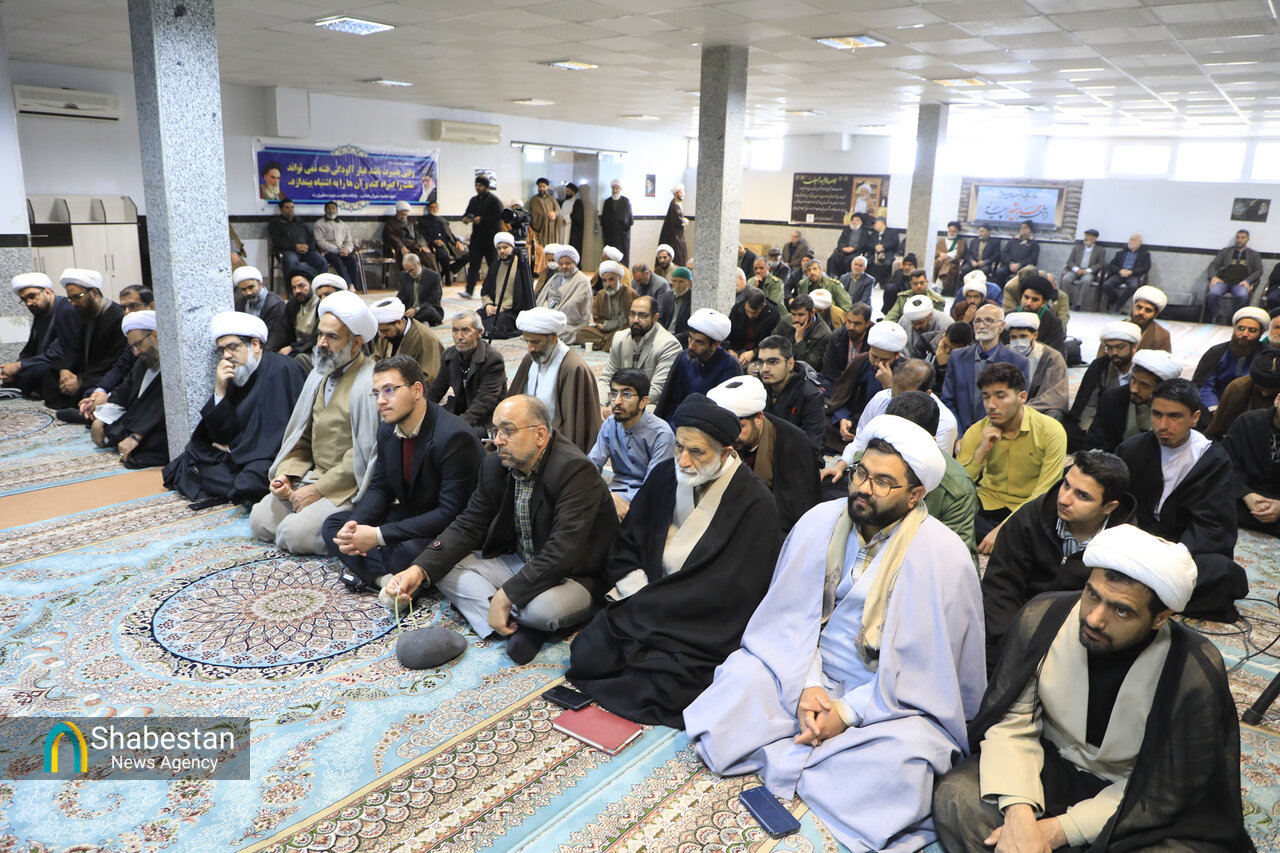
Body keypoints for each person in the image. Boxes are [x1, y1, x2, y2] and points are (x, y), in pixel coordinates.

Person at [684, 415, 985, 853]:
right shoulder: (819, 522)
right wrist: (807, 687)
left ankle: (804, 751)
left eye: (883, 482)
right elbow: (788, 620)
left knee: (908, 761)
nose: (863, 487)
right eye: (862, 472)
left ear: (916, 494)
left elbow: (926, 674)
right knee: (739, 679)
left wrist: (846, 711)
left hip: (885, 697)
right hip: (802, 665)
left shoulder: (943, 557)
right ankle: (817, 756)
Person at [934, 525, 1252, 853]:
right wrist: (1019, 813)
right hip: (1045, 769)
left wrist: (1058, 831)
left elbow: (1170, 788)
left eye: (1121, 610)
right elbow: (1011, 724)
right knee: (957, 797)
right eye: (1092, 595)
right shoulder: (1044, 618)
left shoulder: (1190, 670)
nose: (1095, 618)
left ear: (1160, 617)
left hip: (1133, 798)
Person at [569, 393, 781, 724]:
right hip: (643, 601)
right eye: (679, 447)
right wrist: (637, 588)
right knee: (587, 653)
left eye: (696, 452)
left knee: (668, 688)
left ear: (726, 452)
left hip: (697, 626)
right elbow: (628, 541)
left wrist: (658, 605)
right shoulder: (664, 476)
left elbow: (738, 590)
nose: (683, 461)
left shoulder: (756, 503)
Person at [384, 395, 617, 664]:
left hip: (575, 574)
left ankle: (517, 617)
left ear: (540, 435)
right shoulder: (495, 464)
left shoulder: (575, 471)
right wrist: (418, 570)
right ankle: (517, 625)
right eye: (495, 431)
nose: (497, 440)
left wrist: (506, 595)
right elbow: (468, 524)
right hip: (521, 560)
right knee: (443, 570)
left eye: (508, 430)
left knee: (542, 611)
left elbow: (563, 552)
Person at [321, 354, 483, 595]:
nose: (380, 401)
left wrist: (378, 536)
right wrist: (355, 526)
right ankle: (384, 579)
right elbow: (380, 488)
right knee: (334, 525)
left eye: (389, 390)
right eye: (376, 393)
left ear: (417, 390)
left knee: (408, 552)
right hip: (413, 514)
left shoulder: (454, 436)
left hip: (450, 529)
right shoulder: (387, 429)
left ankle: (379, 570)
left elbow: (450, 513)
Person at [249, 291, 380, 555]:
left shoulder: (370, 382)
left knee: (293, 535)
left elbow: (364, 456)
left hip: (347, 486)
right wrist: (288, 474)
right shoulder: (319, 375)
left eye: (332, 337)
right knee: (260, 522)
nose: (321, 343)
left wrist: (318, 490)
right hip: (311, 476)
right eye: (320, 334)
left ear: (356, 343)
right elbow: (303, 435)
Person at [980, 449, 1137, 669]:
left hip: (1077, 646)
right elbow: (1000, 587)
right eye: (1066, 485)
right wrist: (1013, 645)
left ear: (1109, 507)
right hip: (1012, 632)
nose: (1064, 499)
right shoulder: (1031, 516)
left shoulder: (1125, 546)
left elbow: (1111, 618)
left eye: (1082, 496)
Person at [1116, 378, 1249, 620]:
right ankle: (1156, 594)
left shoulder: (1212, 460)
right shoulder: (1132, 449)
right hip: (1137, 543)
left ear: (1195, 418)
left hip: (1184, 551)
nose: (1163, 425)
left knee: (1224, 572)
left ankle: (1139, 592)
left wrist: (1175, 554)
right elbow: (1118, 506)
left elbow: (1214, 524)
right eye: (1157, 414)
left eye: (1174, 416)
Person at [163, 311, 308, 508]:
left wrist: (234, 448)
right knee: (189, 461)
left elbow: (281, 434)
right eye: (221, 350)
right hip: (242, 455)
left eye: (232, 347)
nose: (226, 356)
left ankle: (243, 489)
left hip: (272, 458)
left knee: (251, 479)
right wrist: (220, 391)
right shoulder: (237, 373)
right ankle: (239, 489)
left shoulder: (283, 369)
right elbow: (219, 434)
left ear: (255, 345)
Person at [823, 389, 978, 565]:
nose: (892, 451)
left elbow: (956, 563)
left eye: (883, 482)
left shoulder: (957, 489)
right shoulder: (866, 461)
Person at [957, 361, 1067, 555]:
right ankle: (1008, 542)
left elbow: (1044, 492)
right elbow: (958, 487)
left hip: (1030, 508)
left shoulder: (1050, 431)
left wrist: (1002, 529)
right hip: (989, 501)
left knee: (1049, 527)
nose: (991, 405)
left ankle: (1001, 538)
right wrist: (981, 451)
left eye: (1000, 396)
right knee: (953, 512)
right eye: (986, 397)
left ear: (1022, 397)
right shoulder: (977, 431)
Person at [709, 375, 819, 534]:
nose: (732, 436)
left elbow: (797, 510)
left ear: (759, 418)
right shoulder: (723, 440)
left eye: (740, 427)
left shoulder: (792, 442)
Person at [507, 307, 602, 453]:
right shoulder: (530, 360)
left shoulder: (572, 368)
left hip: (555, 445)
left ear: (553, 337)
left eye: (535, 342)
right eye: (527, 342)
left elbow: (574, 428)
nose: (530, 348)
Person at [588, 368, 675, 520]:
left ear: (643, 402)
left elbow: (653, 489)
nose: (617, 401)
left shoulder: (662, 434)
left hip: (647, 502)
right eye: (613, 393)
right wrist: (609, 496)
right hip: (614, 492)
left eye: (626, 394)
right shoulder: (610, 424)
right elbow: (590, 467)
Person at [87, 310, 167, 468]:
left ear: (155, 336)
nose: (136, 352)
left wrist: (137, 436)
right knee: (106, 423)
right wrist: (100, 420)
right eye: (132, 347)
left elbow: (162, 406)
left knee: (155, 443)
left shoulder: (173, 365)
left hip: (158, 422)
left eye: (138, 344)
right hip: (138, 418)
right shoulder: (144, 361)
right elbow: (123, 392)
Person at [39, 269, 126, 410]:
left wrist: (81, 380)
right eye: (70, 299)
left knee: (90, 386)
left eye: (77, 297)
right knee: (50, 373)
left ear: (94, 293)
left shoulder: (116, 317)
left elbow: (112, 360)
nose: (73, 303)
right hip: (86, 371)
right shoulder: (85, 314)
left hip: (103, 373)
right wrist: (65, 369)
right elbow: (75, 348)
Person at [941, 304, 1030, 437]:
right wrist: (958, 436)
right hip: (958, 435)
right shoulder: (957, 357)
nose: (981, 326)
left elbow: (1017, 405)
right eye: (977, 321)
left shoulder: (1018, 362)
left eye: (989, 320)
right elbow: (947, 401)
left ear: (1001, 326)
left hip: (998, 436)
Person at [848, 358, 957, 455]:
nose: (896, 403)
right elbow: (859, 442)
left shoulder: (945, 424)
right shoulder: (882, 398)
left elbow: (935, 465)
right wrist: (842, 464)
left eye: (905, 399)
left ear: (926, 394)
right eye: (893, 395)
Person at [825, 320, 907, 450]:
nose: (877, 363)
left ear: (896, 355)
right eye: (874, 356)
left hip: (887, 426)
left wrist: (889, 386)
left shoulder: (906, 370)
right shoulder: (862, 360)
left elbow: (904, 413)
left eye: (884, 359)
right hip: (858, 420)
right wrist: (843, 418)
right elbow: (840, 396)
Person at [427, 311, 507, 441]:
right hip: (461, 411)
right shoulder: (449, 356)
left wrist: (457, 424)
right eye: (455, 331)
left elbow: (484, 402)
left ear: (479, 332)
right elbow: (436, 390)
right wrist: (420, 412)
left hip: (487, 420)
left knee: (451, 437)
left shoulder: (492, 359)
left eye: (465, 331)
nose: (459, 336)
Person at [595, 295, 682, 414]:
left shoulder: (668, 345)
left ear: (655, 318)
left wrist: (620, 407)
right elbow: (607, 378)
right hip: (620, 400)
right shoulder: (620, 338)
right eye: (632, 314)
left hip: (647, 404)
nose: (635, 320)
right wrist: (599, 406)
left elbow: (656, 391)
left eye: (642, 315)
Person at [1086, 348, 1183, 453]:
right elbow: (1096, 442)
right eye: (1133, 380)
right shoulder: (1113, 399)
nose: (1134, 389)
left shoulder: (1177, 408)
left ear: (1161, 388)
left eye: (1144, 385)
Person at [655, 308, 742, 421]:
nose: (691, 346)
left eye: (699, 342)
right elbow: (671, 404)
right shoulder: (683, 358)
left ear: (715, 345)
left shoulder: (729, 366)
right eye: (690, 338)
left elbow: (724, 412)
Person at [1066, 321, 1141, 450]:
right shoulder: (1100, 366)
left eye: (1120, 347)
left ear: (1134, 346)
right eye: (1109, 348)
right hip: (1102, 423)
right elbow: (1087, 404)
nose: (1114, 352)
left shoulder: (1142, 370)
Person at [2, 273, 77, 399]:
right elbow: (32, 347)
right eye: (24, 299)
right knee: (26, 371)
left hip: (65, 364)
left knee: (39, 371)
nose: (29, 303)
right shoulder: (41, 313)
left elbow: (59, 352)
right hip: (46, 360)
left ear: (48, 292)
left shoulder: (66, 310)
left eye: (32, 296)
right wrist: (16, 366)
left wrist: (19, 366)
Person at [756, 334, 826, 456]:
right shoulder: (756, 386)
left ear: (790, 364)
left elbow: (812, 445)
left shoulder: (810, 394)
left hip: (795, 457)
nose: (764, 369)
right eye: (761, 362)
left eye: (773, 362)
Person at [1223, 392, 1280, 537]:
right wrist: (1246, 494)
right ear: (1277, 399)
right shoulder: (1248, 421)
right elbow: (1225, 463)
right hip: (1243, 497)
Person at [1193, 306, 1266, 409]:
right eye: (1241, 328)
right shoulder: (1216, 352)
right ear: (1234, 328)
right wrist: (1213, 407)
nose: (1245, 334)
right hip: (1214, 404)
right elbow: (1203, 385)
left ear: (1261, 333)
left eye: (1252, 330)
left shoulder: (1266, 355)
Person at [1005, 311, 1068, 421]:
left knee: (1054, 413)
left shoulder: (1051, 357)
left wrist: (1022, 410)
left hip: (1036, 409)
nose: (1018, 341)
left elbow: (1055, 395)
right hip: (1005, 406)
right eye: (1014, 337)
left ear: (1035, 336)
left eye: (1023, 336)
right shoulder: (1003, 353)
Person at [369, 297, 444, 387]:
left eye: (385, 330)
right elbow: (376, 359)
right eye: (380, 331)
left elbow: (427, 379)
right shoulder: (386, 335)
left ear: (398, 322)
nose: (382, 335)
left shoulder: (425, 339)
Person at [1206, 348, 1280, 439]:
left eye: (1272, 390)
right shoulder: (1237, 388)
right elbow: (1217, 427)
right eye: (1261, 387)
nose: (1265, 393)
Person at [479, 231, 535, 340]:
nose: (502, 251)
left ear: (512, 248)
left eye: (505, 247)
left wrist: (502, 307)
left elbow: (520, 295)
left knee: (498, 323)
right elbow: (485, 290)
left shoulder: (520, 266)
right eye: (499, 248)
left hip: (511, 310)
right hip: (494, 308)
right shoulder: (495, 265)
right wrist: (488, 305)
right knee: (474, 318)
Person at [535, 245, 592, 344]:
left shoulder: (582, 281)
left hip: (570, 325)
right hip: (550, 318)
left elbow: (573, 306)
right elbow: (543, 298)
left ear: (575, 264)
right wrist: (545, 311)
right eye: (561, 264)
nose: (564, 267)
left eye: (568, 263)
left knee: (555, 333)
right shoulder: (556, 277)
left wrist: (553, 315)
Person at [1206, 228, 1263, 324]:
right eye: (1238, 237)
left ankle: (1234, 318)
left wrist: (1248, 281)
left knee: (1242, 296)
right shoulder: (1226, 251)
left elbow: (1259, 270)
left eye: (1242, 238)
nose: (1239, 240)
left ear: (1248, 239)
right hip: (1223, 282)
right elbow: (1213, 265)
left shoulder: (1254, 254)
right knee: (1212, 294)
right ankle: (1218, 316)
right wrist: (1213, 277)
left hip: (1241, 283)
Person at [577, 260, 635, 352]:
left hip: (622, 331)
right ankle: (609, 343)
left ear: (619, 279)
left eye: (611, 279)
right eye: (604, 280)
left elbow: (630, 320)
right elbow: (597, 319)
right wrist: (606, 327)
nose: (608, 284)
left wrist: (608, 325)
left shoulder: (629, 293)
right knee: (581, 333)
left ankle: (605, 343)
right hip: (603, 333)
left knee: (628, 335)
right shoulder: (600, 295)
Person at [462, 175, 503, 298]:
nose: (477, 188)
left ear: (486, 187)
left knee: (493, 265)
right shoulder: (474, 200)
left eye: (480, 185)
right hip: (476, 238)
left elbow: (498, 217)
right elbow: (468, 213)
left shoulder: (494, 201)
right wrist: (466, 218)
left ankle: (496, 291)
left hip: (490, 239)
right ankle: (469, 291)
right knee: (474, 265)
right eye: (476, 185)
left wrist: (482, 220)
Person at [232, 266, 288, 351]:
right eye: (244, 289)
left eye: (251, 287)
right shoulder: (240, 304)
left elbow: (276, 336)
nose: (248, 292)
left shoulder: (276, 304)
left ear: (260, 284)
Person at [775, 293, 832, 374]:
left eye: (801, 315)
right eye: (793, 314)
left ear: (812, 313)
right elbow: (772, 344)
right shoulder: (786, 322)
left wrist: (799, 340)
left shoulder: (824, 334)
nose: (796, 319)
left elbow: (812, 365)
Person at [269, 199, 327, 276]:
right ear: (281, 209)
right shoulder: (276, 223)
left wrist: (307, 246)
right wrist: (295, 247)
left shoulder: (299, 221)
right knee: (291, 262)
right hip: (289, 251)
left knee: (321, 262)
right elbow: (277, 241)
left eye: (292, 207)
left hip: (305, 251)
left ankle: (318, 282)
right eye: (287, 207)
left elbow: (311, 236)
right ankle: (292, 283)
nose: (290, 210)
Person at [727, 287, 782, 367]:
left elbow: (774, 342)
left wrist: (754, 352)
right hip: (737, 351)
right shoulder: (737, 309)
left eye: (754, 313)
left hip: (761, 355)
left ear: (763, 306)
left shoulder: (773, 315)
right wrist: (729, 349)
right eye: (748, 311)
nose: (750, 315)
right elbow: (727, 334)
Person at [821, 301, 871, 386]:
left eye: (857, 324)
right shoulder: (837, 337)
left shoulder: (874, 340)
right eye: (849, 322)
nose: (851, 327)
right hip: (838, 384)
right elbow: (828, 370)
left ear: (867, 324)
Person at [1014, 273, 1065, 354]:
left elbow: (1055, 354)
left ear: (1043, 303)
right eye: (1026, 297)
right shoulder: (1008, 317)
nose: (1028, 303)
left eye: (1035, 300)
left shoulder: (1053, 323)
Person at [1100, 233, 1152, 313]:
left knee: (1133, 287)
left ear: (1140, 243)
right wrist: (1119, 270)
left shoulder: (1145, 254)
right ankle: (1117, 303)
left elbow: (1145, 268)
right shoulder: (1120, 253)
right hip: (1119, 274)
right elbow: (1112, 265)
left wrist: (1131, 272)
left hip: (1133, 275)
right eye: (1130, 239)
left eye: (1133, 240)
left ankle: (1116, 306)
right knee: (1107, 285)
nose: (1130, 241)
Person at [279, 267, 320, 367]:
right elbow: (283, 331)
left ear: (311, 284)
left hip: (312, 349)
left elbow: (316, 337)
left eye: (301, 286)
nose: (297, 291)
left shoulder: (320, 304)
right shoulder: (293, 303)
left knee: (297, 359)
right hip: (296, 348)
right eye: (294, 288)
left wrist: (293, 348)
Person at [314, 201, 362, 286]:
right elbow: (320, 241)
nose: (331, 210)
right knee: (338, 262)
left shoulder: (343, 224)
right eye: (329, 208)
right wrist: (336, 250)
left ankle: (354, 286)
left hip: (343, 251)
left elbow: (348, 240)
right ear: (325, 210)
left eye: (333, 208)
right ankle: (348, 285)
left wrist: (347, 250)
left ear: (337, 210)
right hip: (328, 252)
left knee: (352, 261)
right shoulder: (319, 224)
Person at [1061, 228, 1107, 311]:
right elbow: (1070, 261)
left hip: (1089, 272)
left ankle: (1078, 304)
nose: (1086, 238)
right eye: (1086, 236)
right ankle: (1067, 302)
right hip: (1076, 270)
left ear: (1095, 238)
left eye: (1089, 236)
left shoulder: (1100, 250)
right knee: (1065, 279)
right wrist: (1076, 269)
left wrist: (1087, 270)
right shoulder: (1077, 248)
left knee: (1086, 281)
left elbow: (1100, 264)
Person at [419, 200, 467, 277]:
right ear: (428, 209)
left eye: (436, 207)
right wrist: (434, 241)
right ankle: (447, 278)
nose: (434, 209)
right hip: (437, 246)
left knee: (467, 255)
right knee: (444, 256)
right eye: (432, 207)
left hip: (449, 244)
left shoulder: (443, 220)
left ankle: (447, 271)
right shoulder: (424, 221)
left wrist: (457, 241)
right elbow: (423, 236)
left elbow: (450, 234)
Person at [898, 293, 952, 362]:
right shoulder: (905, 320)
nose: (917, 327)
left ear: (930, 315)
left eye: (920, 323)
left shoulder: (946, 324)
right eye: (913, 323)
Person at [396, 253, 443, 327]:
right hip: (408, 310)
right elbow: (400, 296)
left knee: (429, 312)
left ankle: (407, 322)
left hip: (425, 309)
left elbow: (434, 301)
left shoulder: (434, 276)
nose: (410, 274)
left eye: (412, 270)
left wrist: (416, 310)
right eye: (408, 271)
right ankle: (417, 323)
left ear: (418, 264)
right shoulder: (404, 276)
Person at [1125, 284, 1172, 353]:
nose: (1141, 312)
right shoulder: (1118, 327)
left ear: (1156, 314)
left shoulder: (1162, 335)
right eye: (1139, 307)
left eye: (1148, 310)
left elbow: (1163, 358)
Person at [629, 263, 674, 331]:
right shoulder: (635, 282)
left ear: (647, 274)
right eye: (635, 280)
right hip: (639, 317)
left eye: (639, 280)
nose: (637, 283)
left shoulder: (661, 285)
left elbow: (660, 313)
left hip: (654, 322)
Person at [993, 220, 1039, 286]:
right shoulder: (1013, 241)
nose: (1022, 229)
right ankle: (1002, 290)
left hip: (1024, 268)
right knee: (999, 272)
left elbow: (1032, 259)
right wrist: (1010, 263)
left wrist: (1020, 264)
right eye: (1021, 227)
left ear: (1029, 230)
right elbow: (1004, 253)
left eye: (1025, 227)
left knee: (1026, 276)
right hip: (1009, 265)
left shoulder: (1034, 244)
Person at [600, 179, 633, 264]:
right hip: (609, 235)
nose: (614, 191)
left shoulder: (625, 202)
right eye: (613, 188)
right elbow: (604, 219)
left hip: (621, 236)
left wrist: (618, 222)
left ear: (620, 189)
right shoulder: (607, 202)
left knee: (622, 255)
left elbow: (628, 219)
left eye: (616, 189)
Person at [383, 200, 427, 264]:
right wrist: (401, 246)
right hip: (400, 247)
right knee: (409, 259)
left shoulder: (411, 221)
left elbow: (419, 235)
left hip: (414, 246)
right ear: (397, 211)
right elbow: (391, 237)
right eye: (402, 214)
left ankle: (433, 271)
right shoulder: (391, 222)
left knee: (428, 256)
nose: (404, 216)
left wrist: (422, 245)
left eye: (405, 214)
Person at [659, 184, 689, 266]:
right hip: (675, 238)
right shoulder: (674, 205)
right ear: (676, 193)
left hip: (678, 236)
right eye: (681, 192)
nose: (683, 194)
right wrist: (684, 221)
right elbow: (677, 220)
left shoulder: (677, 204)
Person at [933, 220, 967, 293]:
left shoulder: (960, 242)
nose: (951, 233)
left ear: (957, 232)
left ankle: (939, 286)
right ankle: (932, 284)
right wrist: (941, 254)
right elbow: (936, 250)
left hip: (952, 262)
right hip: (940, 261)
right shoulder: (942, 241)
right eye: (950, 231)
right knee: (934, 264)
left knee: (948, 266)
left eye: (953, 231)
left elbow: (959, 253)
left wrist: (946, 256)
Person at [864, 216, 899, 286]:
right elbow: (868, 244)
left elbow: (895, 242)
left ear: (882, 223)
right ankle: (869, 283)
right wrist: (875, 247)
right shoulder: (873, 234)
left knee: (887, 263)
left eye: (876, 223)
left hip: (887, 253)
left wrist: (883, 247)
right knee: (867, 263)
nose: (874, 225)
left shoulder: (892, 232)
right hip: (874, 254)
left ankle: (880, 282)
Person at [527, 178, 559, 249]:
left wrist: (554, 213)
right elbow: (533, 215)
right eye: (540, 187)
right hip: (540, 230)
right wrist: (545, 216)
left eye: (543, 186)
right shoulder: (534, 200)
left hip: (551, 230)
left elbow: (558, 211)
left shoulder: (552, 199)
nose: (541, 188)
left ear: (547, 187)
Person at [559, 182, 585, 254]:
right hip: (562, 227)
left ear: (573, 192)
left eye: (568, 191)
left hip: (572, 230)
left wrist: (566, 219)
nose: (566, 193)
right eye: (566, 191)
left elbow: (577, 215)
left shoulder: (577, 202)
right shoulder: (563, 202)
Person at [668, 267, 693, 338]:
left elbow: (692, 328)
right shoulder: (668, 296)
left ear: (689, 283)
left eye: (681, 282)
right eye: (674, 281)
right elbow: (661, 319)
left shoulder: (692, 299)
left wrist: (676, 337)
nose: (677, 285)